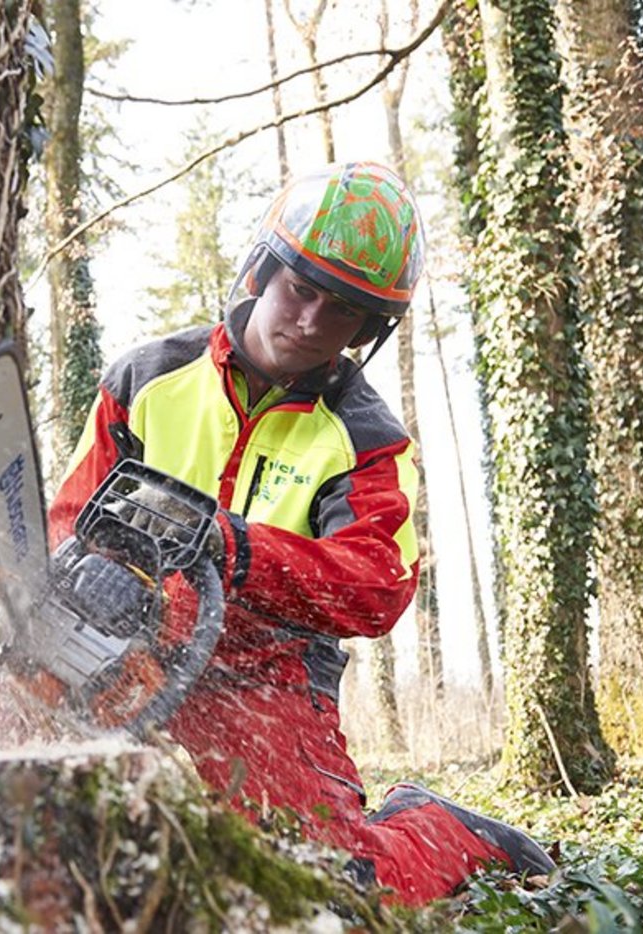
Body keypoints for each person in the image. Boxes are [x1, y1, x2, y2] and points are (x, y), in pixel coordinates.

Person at [48, 161, 555, 905]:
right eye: (302, 291)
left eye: (341, 312)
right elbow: (70, 517)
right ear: (262, 270)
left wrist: (238, 548)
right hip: (131, 654)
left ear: (368, 329)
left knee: (324, 889)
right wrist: (75, 578)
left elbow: (378, 583)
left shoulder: (363, 434)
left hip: (269, 678)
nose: (311, 322)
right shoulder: (149, 378)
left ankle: (442, 831)